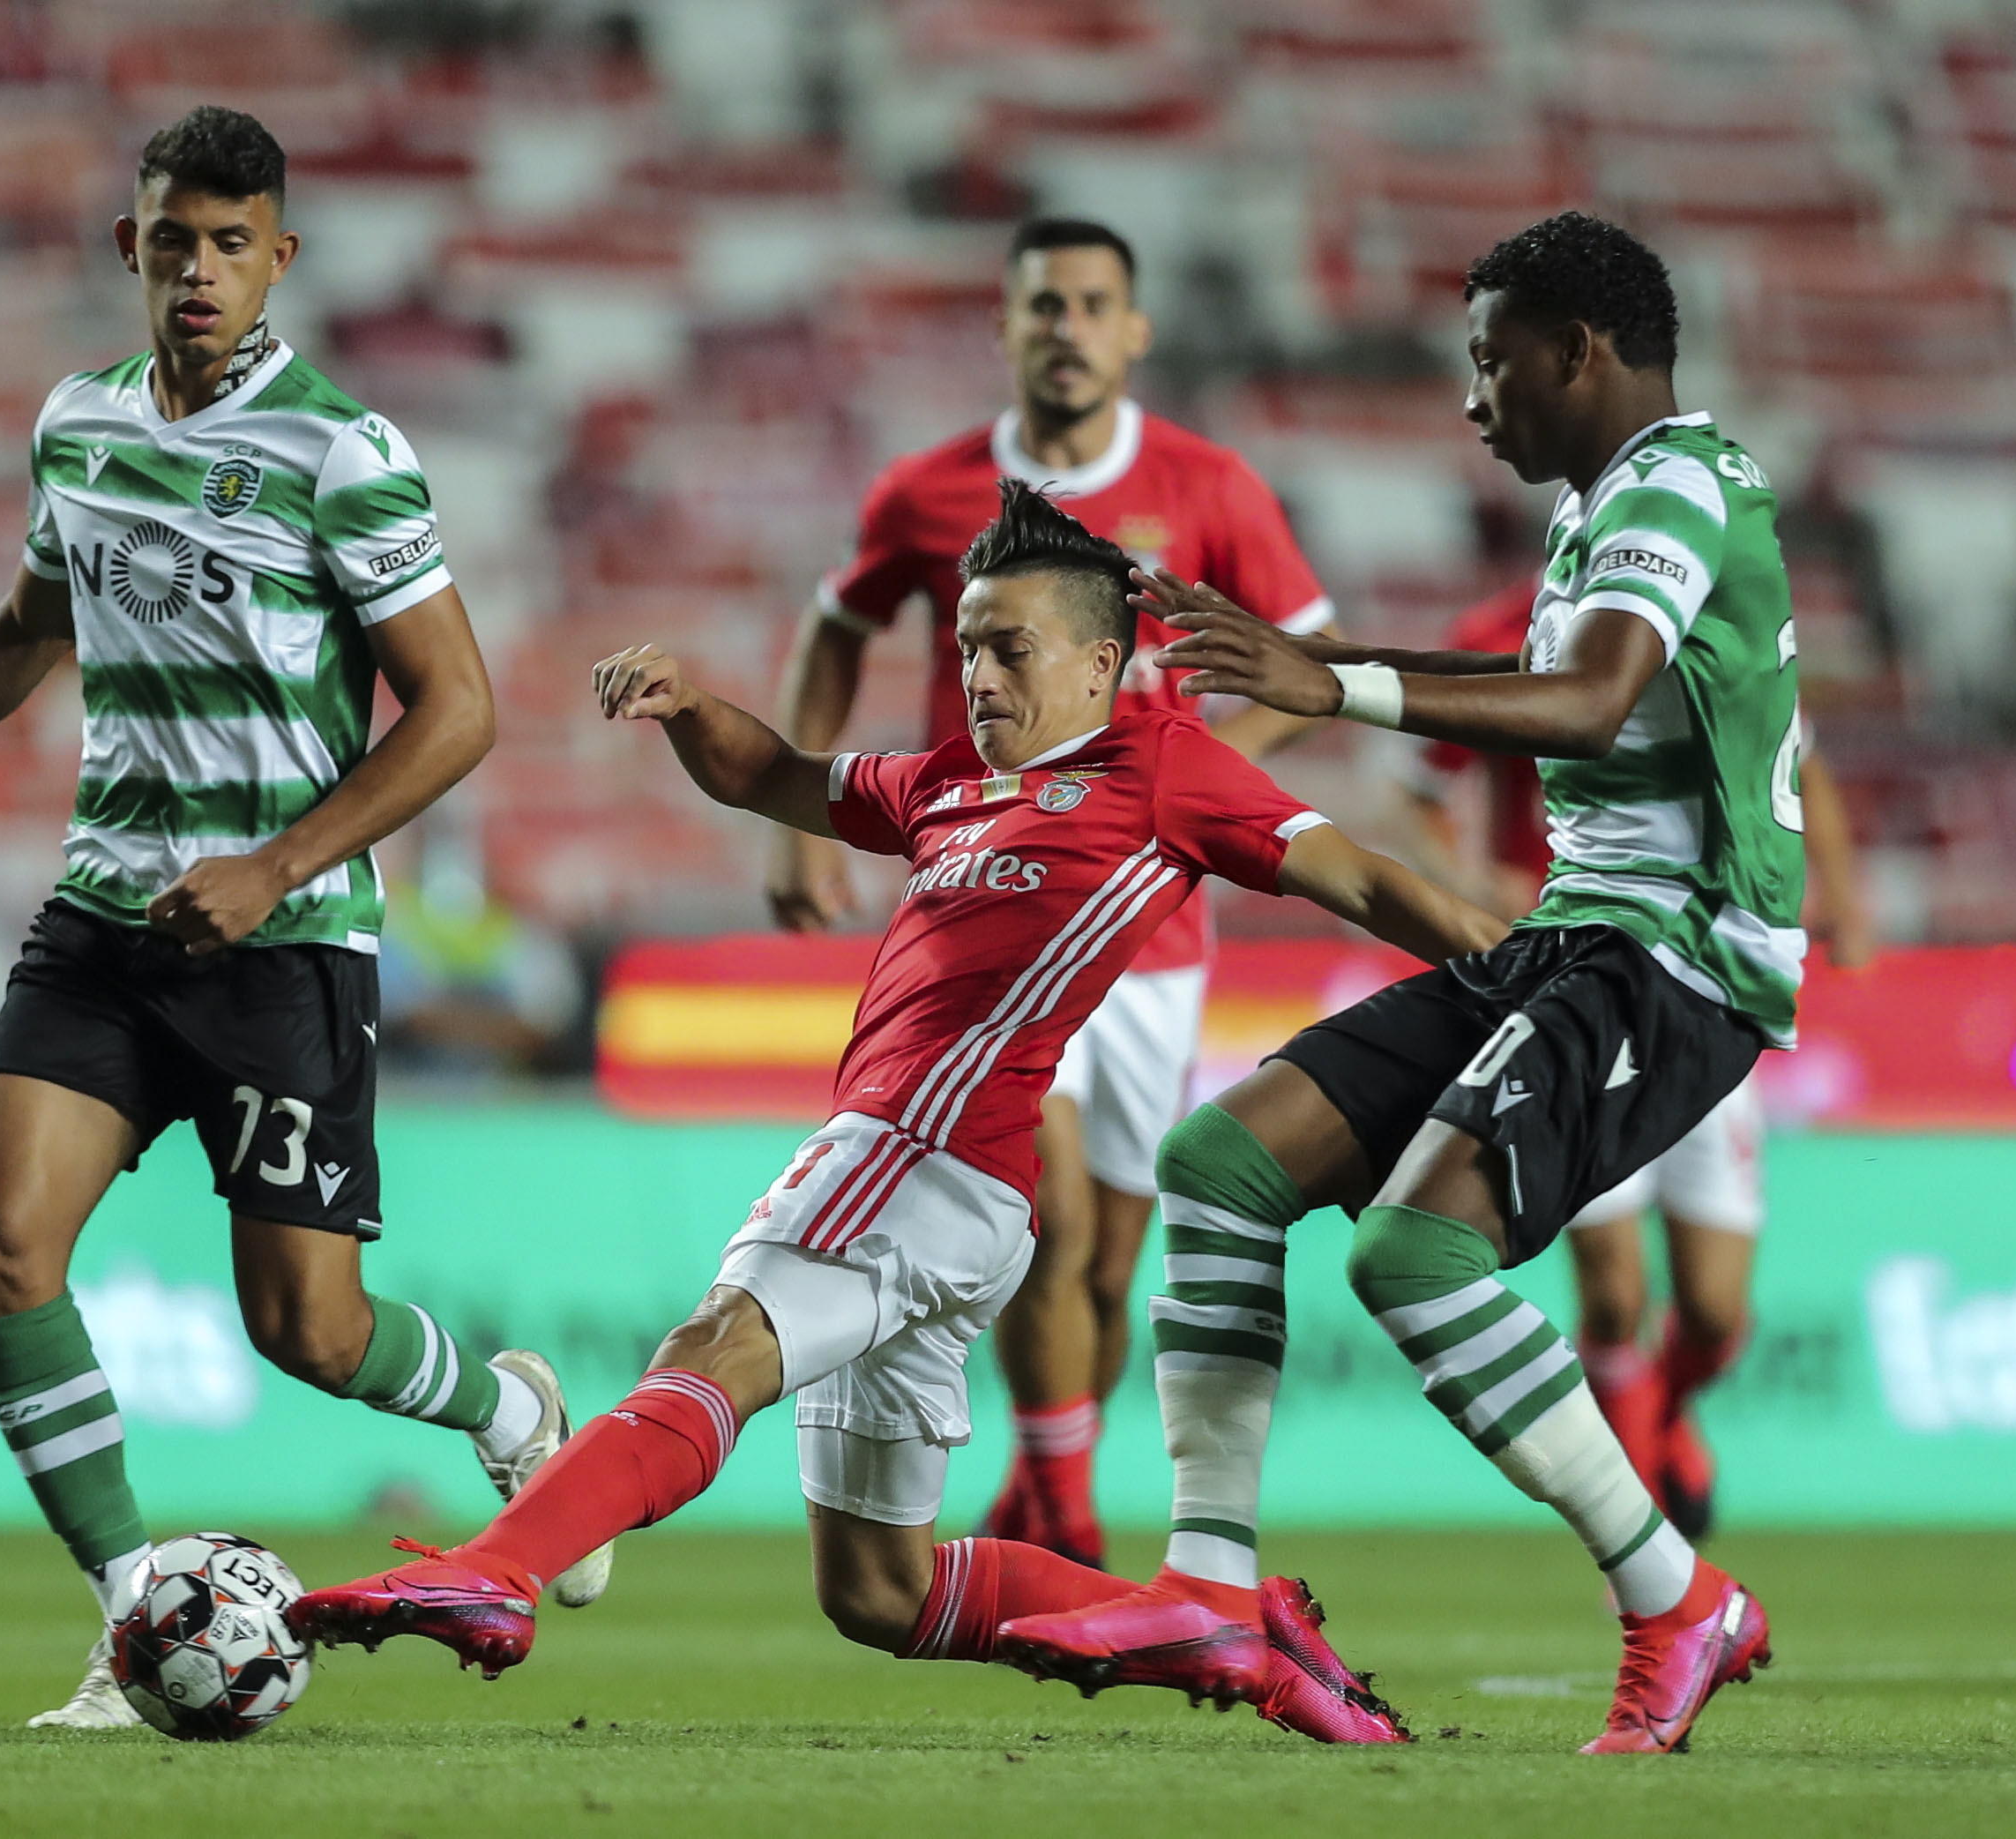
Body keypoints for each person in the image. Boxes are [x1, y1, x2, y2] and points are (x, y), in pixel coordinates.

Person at [287, 482, 1506, 1742]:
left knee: (713, 1346)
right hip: (954, 1195)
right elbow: (780, 777)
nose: (978, 672)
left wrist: (1530, 967)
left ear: (1103, 662)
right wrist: (695, 708)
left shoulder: (1160, 765)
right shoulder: (948, 782)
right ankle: (1242, 1644)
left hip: (919, 1153)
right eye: (968, 645)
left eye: (1010, 648)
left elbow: (1359, 875)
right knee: (880, 1589)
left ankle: (496, 1571)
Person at [0, 107, 610, 1730]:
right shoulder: (75, 426)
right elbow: (26, 628)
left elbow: (457, 711)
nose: (199, 270)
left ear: (279, 255)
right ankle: (135, 1613)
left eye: (231, 242)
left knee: (306, 1328)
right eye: (172, 240)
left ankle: (503, 1405)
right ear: (127, 250)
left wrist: (277, 865)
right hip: (106, 919)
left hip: (283, 942)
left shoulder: (343, 450)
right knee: (0, 1247)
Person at [993, 213, 1801, 1754]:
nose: (1469, 396)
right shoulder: (1606, 509)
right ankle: (1210, 1587)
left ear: (1578, 349)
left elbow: (1589, 697)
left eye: (1490, 359)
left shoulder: (1679, 485)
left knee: (1412, 1259)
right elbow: (1536, 679)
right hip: (1573, 939)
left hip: (1674, 961)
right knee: (1217, 1166)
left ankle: (1673, 1598)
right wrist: (1320, 666)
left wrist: (1335, 683)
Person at [769, 218, 1337, 1566]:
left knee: (1098, 1258)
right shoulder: (926, 490)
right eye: (1044, 305)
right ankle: (1069, 1506)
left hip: (1155, 927)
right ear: (1009, 325)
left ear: (1133, 330)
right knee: (1053, 1198)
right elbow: (837, 622)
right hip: (996, 901)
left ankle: (1041, 1473)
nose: (1067, 326)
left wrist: (1193, 794)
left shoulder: (1211, 483)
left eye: (1093, 304)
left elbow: (1301, 659)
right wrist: (797, 828)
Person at [1400, 586, 1878, 1539]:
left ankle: (1664, 1413)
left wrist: (1840, 891)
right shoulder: (1491, 634)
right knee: (1613, 1290)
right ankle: (1641, 1527)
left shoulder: (1720, 621)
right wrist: (1470, 880)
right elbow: (1418, 791)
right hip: (1564, 986)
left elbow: (1801, 764)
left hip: (1702, 986)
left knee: (1709, 1309)